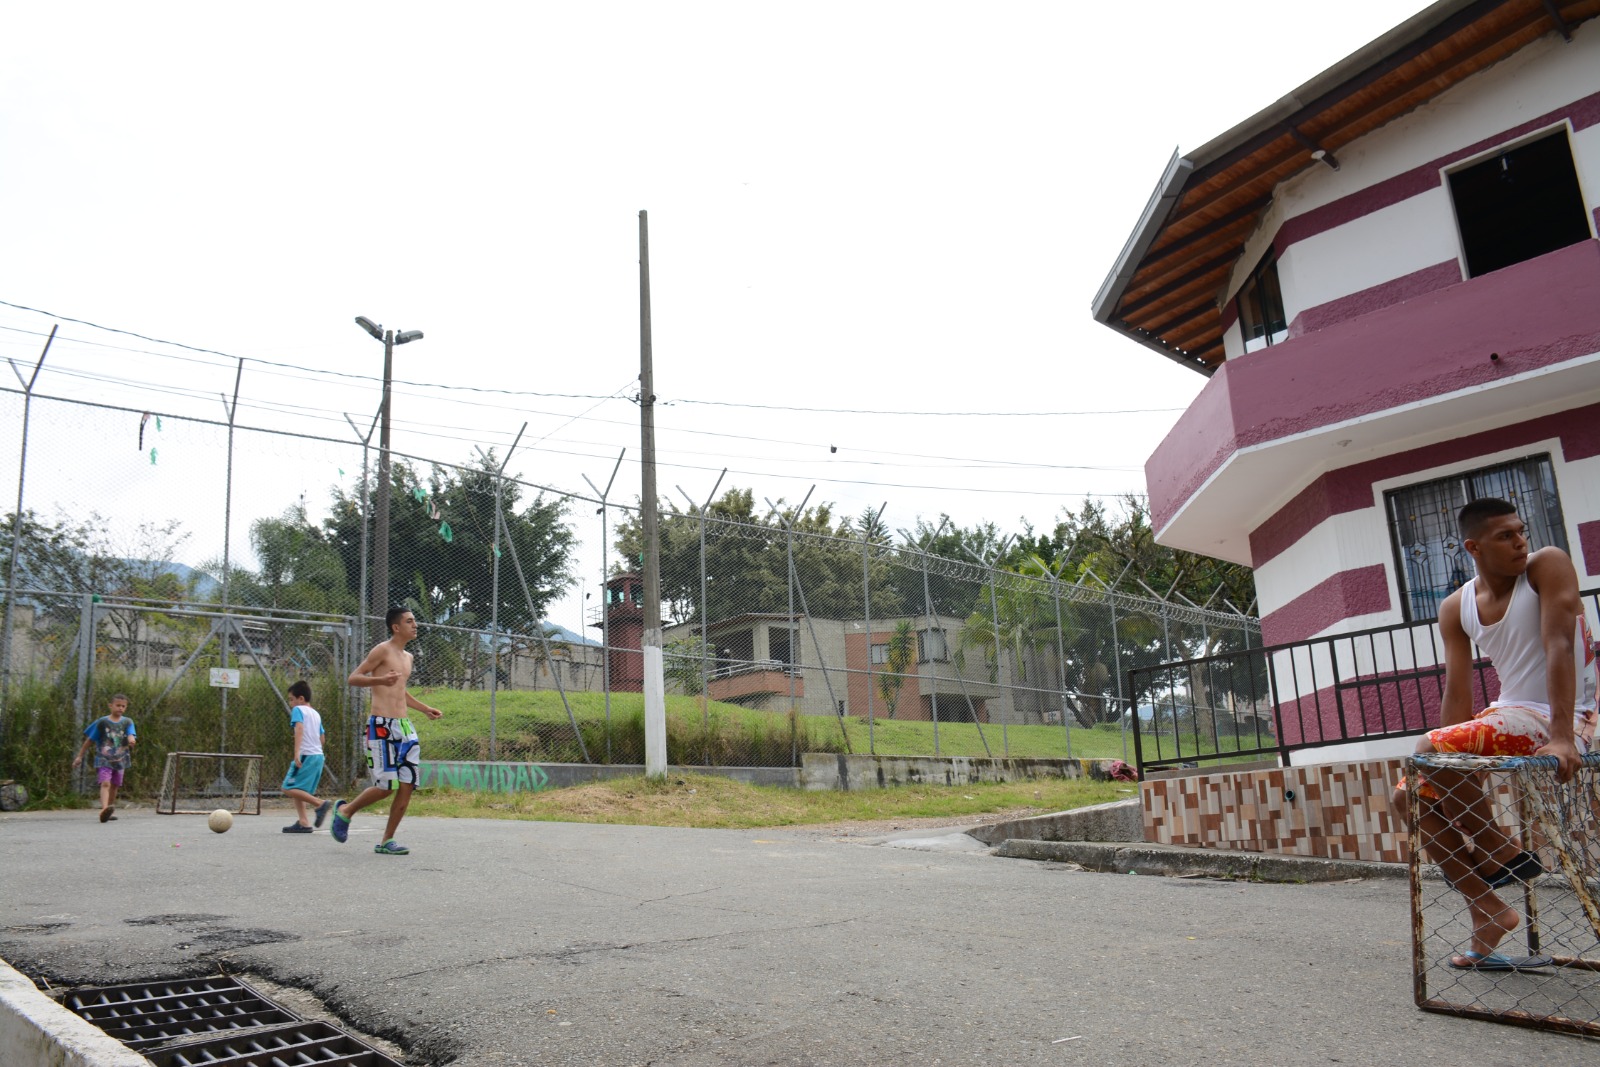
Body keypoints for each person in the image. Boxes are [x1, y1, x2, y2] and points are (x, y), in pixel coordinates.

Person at [1393, 497, 1597, 970]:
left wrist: (1563, 736)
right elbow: (1457, 694)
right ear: (1474, 547)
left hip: (1566, 714)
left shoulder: (1547, 565)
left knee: (1430, 747)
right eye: (1506, 536)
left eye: (1521, 531)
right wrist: (1445, 763)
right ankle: (1487, 909)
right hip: (1508, 713)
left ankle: (1494, 846)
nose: (1520, 541)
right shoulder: (1456, 606)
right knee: (1409, 797)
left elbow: (1560, 643)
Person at [331, 607, 443, 855]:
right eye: (409, 621)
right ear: (396, 627)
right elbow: (354, 678)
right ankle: (346, 811)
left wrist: (425, 709)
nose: (415, 625)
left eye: (415, 621)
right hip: (380, 726)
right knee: (385, 787)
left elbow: (400, 690)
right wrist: (379, 680)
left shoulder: (408, 657)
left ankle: (387, 840)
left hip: (405, 727)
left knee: (407, 784)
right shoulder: (382, 650)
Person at [72, 694, 137, 823]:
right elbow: (90, 740)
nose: (120, 708)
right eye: (118, 705)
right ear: (110, 706)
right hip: (104, 759)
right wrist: (80, 756)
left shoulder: (127, 722)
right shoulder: (102, 722)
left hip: (120, 759)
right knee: (105, 783)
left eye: (123, 706)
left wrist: (131, 739)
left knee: (115, 785)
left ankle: (109, 810)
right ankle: (104, 809)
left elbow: (131, 733)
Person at [281, 680, 333, 834]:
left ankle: (320, 804)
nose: (291, 703)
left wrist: (297, 752)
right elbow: (322, 738)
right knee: (299, 788)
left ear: (301, 699)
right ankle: (304, 822)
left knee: (287, 787)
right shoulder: (316, 714)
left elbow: (299, 728)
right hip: (318, 756)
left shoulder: (298, 710)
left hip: (306, 755)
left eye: (291, 699)